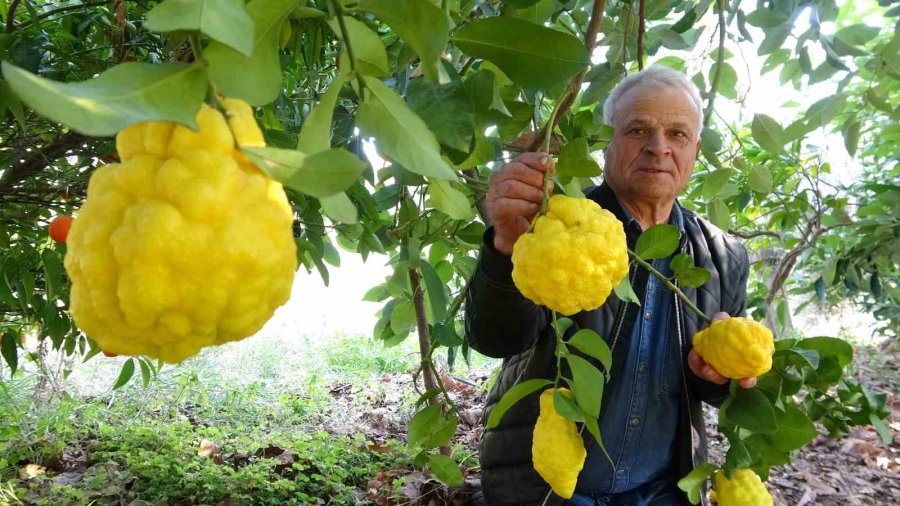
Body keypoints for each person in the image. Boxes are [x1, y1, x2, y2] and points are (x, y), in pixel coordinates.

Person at [464, 66, 754, 505]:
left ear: (694, 149)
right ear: (608, 143)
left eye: (677, 134)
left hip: (663, 490)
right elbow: (495, 337)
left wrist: (716, 376)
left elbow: (720, 391)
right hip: (550, 489)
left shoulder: (722, 256)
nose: (659, 148)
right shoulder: (556, 227)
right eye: (639, 129)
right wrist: (506, 242)